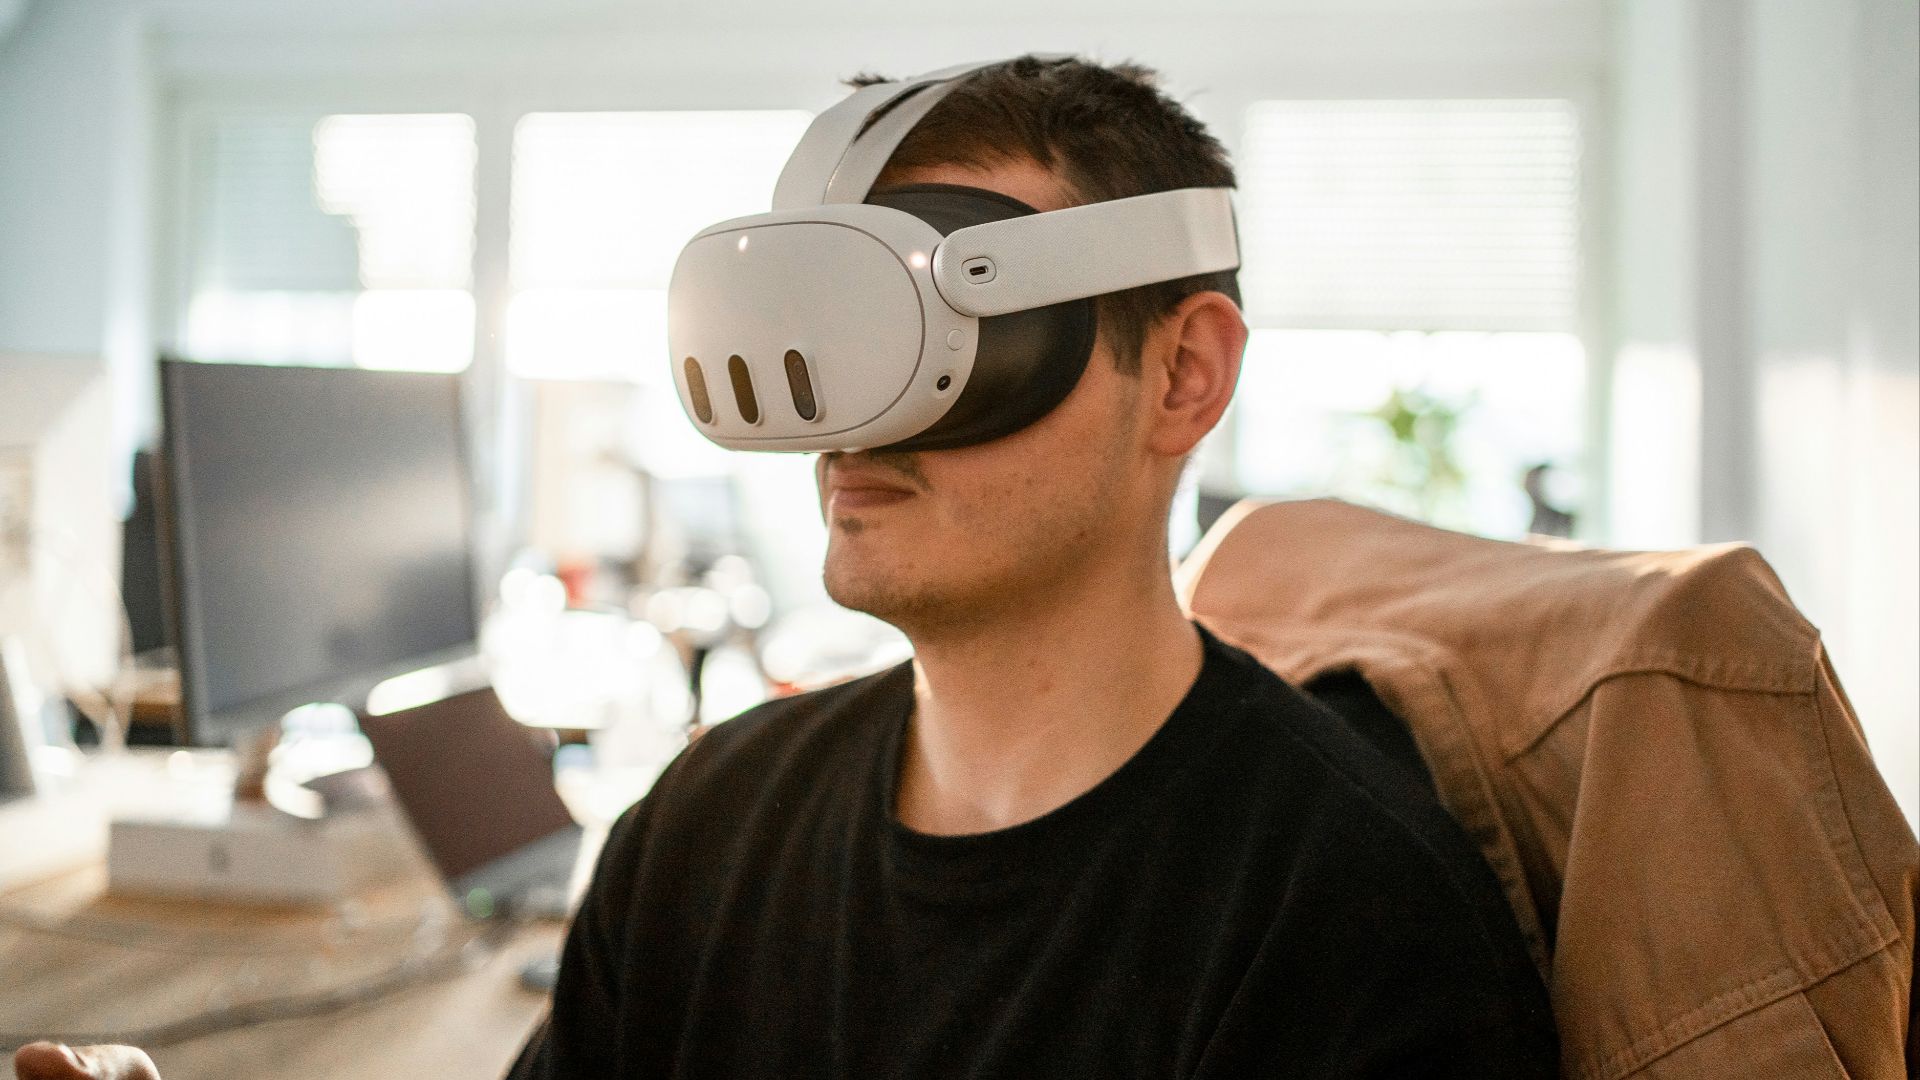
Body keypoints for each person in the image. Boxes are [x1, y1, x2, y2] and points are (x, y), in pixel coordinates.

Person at [14, 55, 1556, 1080]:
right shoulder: (708, 825)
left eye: (943, 341)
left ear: (1180, 377)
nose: (851, 420)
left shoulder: (1347, 918)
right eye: (827, 345)